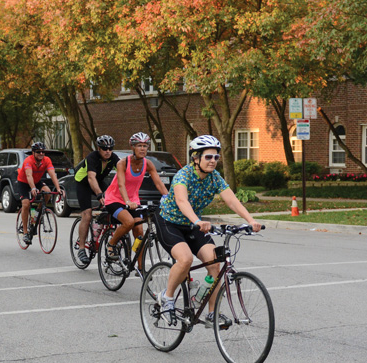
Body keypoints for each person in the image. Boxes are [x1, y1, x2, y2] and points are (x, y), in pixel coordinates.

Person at [154, 135, 262, 328]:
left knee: (214, 264)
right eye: (208, 157)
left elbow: (231, 201)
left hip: (194, 225)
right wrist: (197, 220)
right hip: (170, 223)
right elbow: (181, 201)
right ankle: (167, 297)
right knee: (185, 259)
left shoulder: (215, 178)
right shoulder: (183, 175)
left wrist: (250, 220)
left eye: (216, 157)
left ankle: (212, 314)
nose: (213, 161)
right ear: (196, 158)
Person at [103, 132, 168, 261]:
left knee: (139, 231)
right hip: (114, 199)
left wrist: (168, 198)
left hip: (133, 200)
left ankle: (140, 268)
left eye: (145, 146)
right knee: (129, 222)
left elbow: (159, 183)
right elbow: (121, 185)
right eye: (139, 145)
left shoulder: (148, 164)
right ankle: (111, 244)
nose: (143, 149)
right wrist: (127, 201)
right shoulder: (123, 163)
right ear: (132, 147)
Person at [73, 135, 120, 264]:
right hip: (83, 183)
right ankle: (82, 248)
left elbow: (124, 172)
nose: (108, 151)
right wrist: (99, 195)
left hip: (98, 181)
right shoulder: (92, 157)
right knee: (87, 215)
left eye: (110, 148)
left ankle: (102, 234)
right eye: (104, 149)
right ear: (98, 148)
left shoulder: (113, 158)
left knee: (112, 206)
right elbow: (91, 179)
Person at [17, 142, 61, 244]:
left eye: (43, 152)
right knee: (26, 204)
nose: (41, 153)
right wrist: (33, 188)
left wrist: (58, 188)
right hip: (24, 182)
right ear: (33, 153)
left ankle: (36, 213)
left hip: (36, 181)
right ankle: (25, 233)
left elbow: (52, 174)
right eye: (38, 152)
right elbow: (28, 176)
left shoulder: (47, 160)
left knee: (48, 192)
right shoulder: (28, 161)